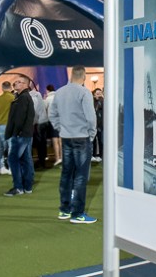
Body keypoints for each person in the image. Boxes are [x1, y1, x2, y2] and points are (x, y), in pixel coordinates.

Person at [49, 66, 98, 224]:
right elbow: (91, 117)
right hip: (82, 137)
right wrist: (91, 134)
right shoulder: (84, 92)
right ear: (84, 76)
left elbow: (52, 114)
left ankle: (65, 210)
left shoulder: (59, 92)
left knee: (66, 174)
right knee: (80, 176)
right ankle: (77, 214)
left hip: (66, 137)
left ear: (71, 75)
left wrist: (60, 128)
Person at [4, 75, 35, 196]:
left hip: (20, 134)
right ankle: (27, 186)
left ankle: (18, 187)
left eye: (19, 82)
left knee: (13, 159)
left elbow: (19, 118)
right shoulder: (24, 97)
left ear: (25, 85)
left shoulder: (23, 98)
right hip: (25, 134)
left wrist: (15, 133)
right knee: (25, 159)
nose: (15, 83)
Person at [0, 81, 14, 174]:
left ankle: (1, 167)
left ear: (2, 88)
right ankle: (11, 167)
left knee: (0, 148)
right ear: (10, 88)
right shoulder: (13, 98)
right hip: (10, 126)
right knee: (11, 147)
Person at [30, 84, 49, 169]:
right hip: (44, 121)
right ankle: (43, 161)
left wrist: (33, 123)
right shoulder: (39, 95)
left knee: (39, 143)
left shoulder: (32, 97)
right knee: (42, 143)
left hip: (38, 123)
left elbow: (35, 111)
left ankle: (41, 162)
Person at [45, 85, 61, 165]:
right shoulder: (59, 97)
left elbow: (45, 108)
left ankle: (57, 158)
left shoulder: (48, 99)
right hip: (61, 120)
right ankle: (62, 158)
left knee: (55, 140)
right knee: (61, 140)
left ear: (47, 90)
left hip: (52, 121)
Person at [92, 88, 104, 162]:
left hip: (100, 124)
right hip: (93, 124)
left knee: (100, 140)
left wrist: (102, 98)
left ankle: (100, 155)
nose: (98, 95)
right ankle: (93, 155)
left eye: (100, 93)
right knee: (93, 140)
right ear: (94, 94)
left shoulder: (102, 101)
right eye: (97, 94)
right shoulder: (92, 101)